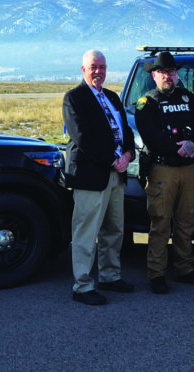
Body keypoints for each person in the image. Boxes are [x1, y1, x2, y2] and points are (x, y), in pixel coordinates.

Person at [133, 51, 194, 294]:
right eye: (163, 72)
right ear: (154, 75)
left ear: (177, 75)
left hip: (189, 170)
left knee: (186, 222)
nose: (168, 76)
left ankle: (185, 269)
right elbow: (150, 135)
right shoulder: (147, 103)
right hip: (162, 170)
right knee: (160, 224)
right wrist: (176, 149)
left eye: (172, 72)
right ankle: (156, 273)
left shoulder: (190, 99)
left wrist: (193, 144)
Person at [63, 49, 136, 306]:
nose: (99, 71)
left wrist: (128, 154)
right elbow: (82, 137)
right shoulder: (74, 98)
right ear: (83, 69)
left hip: (117, 173)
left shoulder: (113, 98)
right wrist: (111, 159)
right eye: (93, 67)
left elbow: (126, 131)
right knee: (86, 231)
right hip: (91, 175)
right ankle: (82, 285)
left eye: (102, 67)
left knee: (114, 229)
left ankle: (109, 275)